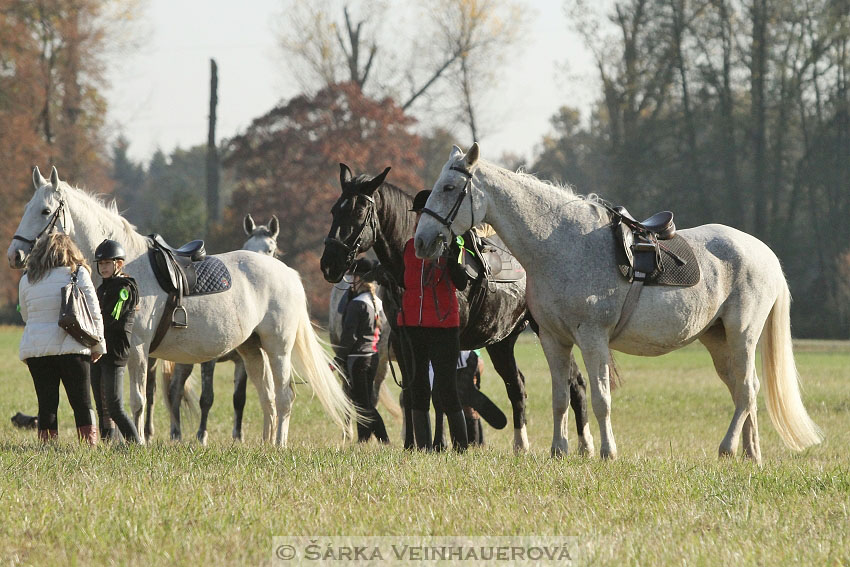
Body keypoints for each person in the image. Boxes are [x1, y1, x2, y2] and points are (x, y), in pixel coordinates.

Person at [397, 189, 469, 452]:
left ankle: (461, 448)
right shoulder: (407, 248)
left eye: (423, 214)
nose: (419, 220)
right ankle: (424, 448)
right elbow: (402, 282)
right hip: (412, 327)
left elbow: (461, 283)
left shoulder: (453, 245)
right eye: (418, 215)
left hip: (443, 327)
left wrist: (451, 260)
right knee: (416, 386)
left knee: (447, 387)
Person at [18, 232, 105, 444]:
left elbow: (25, 314)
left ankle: (47, 447)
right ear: (70, 250)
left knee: (46, 403)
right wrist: (98, 345)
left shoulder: (27, 279)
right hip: (73, 347)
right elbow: (94, 312)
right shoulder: (79, 274)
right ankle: (88, 446)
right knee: (82, 403)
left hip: (37, 350)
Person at [90, 239, 141, 443]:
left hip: (114, 353)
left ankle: (135, 444)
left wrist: (90, 329)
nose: (103, 268)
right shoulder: (101, 289)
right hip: (98, 350)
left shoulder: (124, 288)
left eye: (107, 263)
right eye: (100, 264)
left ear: (118, 264)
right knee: (101, 405)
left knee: (114, 406)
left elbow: (113, 318)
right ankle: (107, 443)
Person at [338, 257, 389, 443]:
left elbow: (349, 336)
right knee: (364, 401)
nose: (351, 281)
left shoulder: (356, 304)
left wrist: (339, 358)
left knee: (363, 404)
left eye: (353, 277)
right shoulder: (377, 302)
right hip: (372, 356)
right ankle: (363, 440)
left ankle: (384, 441)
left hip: (358, 359)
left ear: (360, 279)